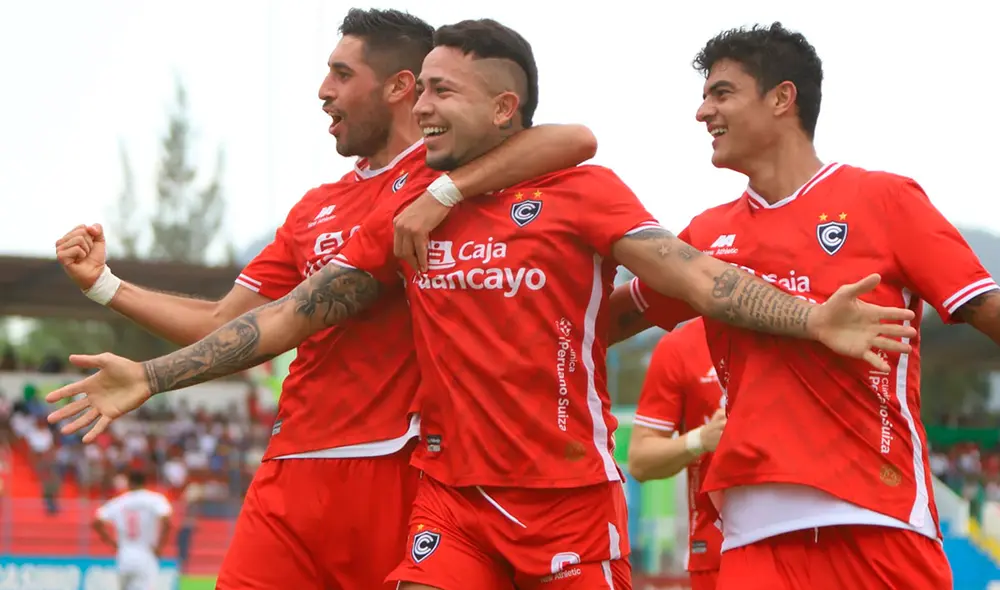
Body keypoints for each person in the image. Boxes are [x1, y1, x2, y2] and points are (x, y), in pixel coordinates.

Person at [47, 18, 918, 590]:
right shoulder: (399, 215)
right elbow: (281, 319)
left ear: (504, 109)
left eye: (441, 92)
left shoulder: (579, 192)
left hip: (570, 497)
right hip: (451, 499)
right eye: (419, 87)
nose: (420, 107)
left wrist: (811, 318)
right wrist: (151, 377)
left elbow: (692, 275)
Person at [52, 9, 597, 590]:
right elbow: (223, 321)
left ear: (399, 87)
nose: (322, 90)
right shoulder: (316, 206)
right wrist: (104, 285)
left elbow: (574, 140)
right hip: (289, 468)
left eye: (341, 73)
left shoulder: (450, 172)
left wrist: (446, 191)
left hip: (394, 464)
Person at [609, 22, 1000, 590]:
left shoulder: (884, 199)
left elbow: (986, 309)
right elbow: (611, 317)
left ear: (781, 98)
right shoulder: (706, 237)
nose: (702, 112)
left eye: (721, 93)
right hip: (752, 536)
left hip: (879, 520)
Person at [627, 318, 724, 590]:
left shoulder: (798, 328)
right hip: (717, 551)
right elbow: (640, 459)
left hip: (808, 536)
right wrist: (701, 439)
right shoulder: (682, 346)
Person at [93, 470, 172, 590]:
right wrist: (160, 546)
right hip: (146, 555)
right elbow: (166, 521)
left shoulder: (119, 501)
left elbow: (96, 522)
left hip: (124, 555)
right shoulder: (154, 499)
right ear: (144, 482)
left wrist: (112, 543)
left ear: (129, 483)